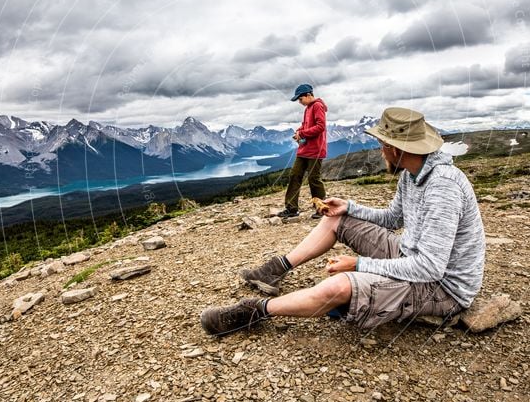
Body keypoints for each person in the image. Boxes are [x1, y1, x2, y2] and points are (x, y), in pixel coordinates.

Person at [201, 106, 485, 336]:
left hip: (443, 287)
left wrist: (358, 264)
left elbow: (430, 268)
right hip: (413, 258)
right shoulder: (412, 175)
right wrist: (349, 207)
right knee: (338, 220)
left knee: (340, 285)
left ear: (396, 148)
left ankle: (254, 311)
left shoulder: (442, 187)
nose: (380, 150)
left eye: (381, 144)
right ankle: (273, 271)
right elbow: (392, 218)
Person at [278, 83, 328, 219]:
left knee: (314, 178)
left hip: (316, 150)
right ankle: (291, 208)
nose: (299, 102)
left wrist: (303, 133)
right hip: (305, 149)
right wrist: (299, 131)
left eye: (300, 99)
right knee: (295, 175)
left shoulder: (317, 106)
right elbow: (306, 125)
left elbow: (320, 126)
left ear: (308, 95)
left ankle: (321, 209)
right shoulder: (308, 108)